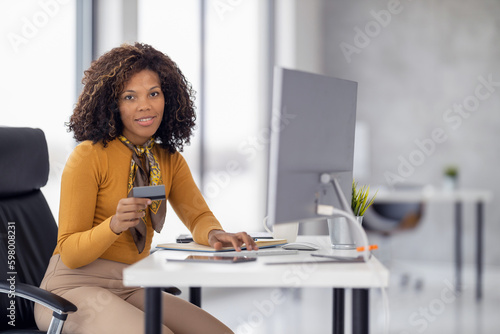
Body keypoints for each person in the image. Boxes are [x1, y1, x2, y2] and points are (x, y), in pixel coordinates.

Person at [34, 42, 257, 334]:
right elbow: (71, 253)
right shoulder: (88, 157)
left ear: (169, 98)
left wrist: (216, 234)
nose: (145, 105)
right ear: (112, 104)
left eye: (154, 93)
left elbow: (198, 216)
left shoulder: (168, 160)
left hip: (132, 284)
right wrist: (113, 225)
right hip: (71, 290)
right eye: (130, 96)